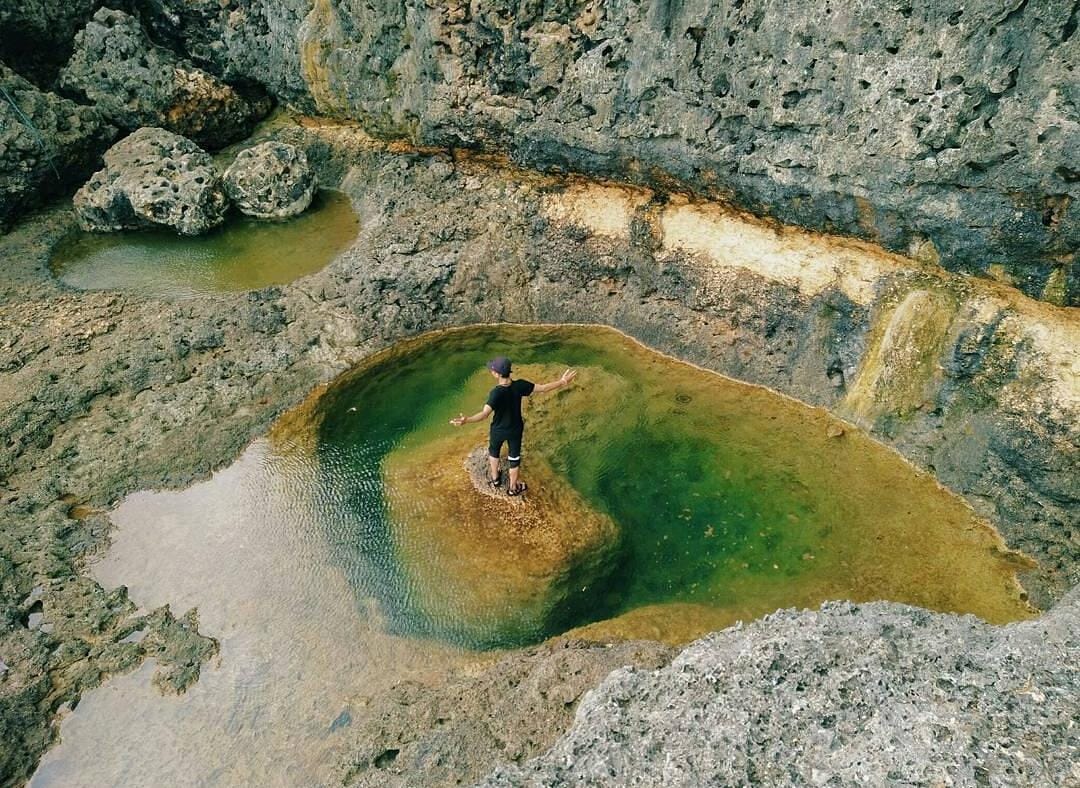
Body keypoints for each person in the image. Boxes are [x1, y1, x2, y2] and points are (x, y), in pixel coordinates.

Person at [450, 356, 576, 496]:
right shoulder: (520, 385)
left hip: (498, 429)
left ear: (497, 374)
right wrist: (562, 381)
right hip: (515, 429)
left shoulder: (496, 393)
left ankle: (495, 479)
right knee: (514, 458)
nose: (491, 372)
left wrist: (466, 420)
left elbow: (484, 414)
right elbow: (544, 388)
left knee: (494, 451)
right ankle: (513, 488)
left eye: (492, 370)